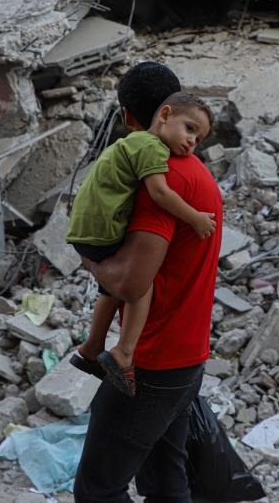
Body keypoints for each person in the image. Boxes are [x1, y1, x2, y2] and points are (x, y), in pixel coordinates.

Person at [73, 63, 224, 503]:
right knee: (165, 484)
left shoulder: (164, 176)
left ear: (126, 116)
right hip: (186, 357)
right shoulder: (194, 170)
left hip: (154, 363)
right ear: (169, 109)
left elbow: (132, 283)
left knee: (98, 491)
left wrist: (90, 261)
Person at [66, 91, 216, 396]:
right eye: (189, 129)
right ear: (164, 114)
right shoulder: (153, 149)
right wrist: (195, 218)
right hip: (101, 234)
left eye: (198, 139)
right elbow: (160, 194)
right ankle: (124, 352)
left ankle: (92, 346)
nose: (191, 142)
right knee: (140, 285)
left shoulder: (131, 142)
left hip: (85, 231)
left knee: (109, 291)